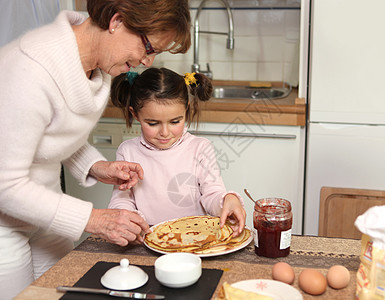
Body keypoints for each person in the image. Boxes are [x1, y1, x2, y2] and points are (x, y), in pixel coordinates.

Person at [0, 1, 191, 298]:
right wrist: (92, 219)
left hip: (45, 211)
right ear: (117, 21)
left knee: (65, 292)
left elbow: (48, 133)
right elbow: (4, 184)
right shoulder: (31, 68)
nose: (147, 62)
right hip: (4, 222)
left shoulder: (95, 68)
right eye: (149, 48)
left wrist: (96, 167)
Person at [108, 68, 247, 236]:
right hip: (147, 238)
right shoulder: (127, 151)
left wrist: (227, 200)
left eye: (175, 121)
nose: (165, 132)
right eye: (152, 123)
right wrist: (130, 220)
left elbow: (212, 193)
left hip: (194, 240)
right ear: (135, 114)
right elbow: (122, 199)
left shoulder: (200, 148)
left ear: (186, 110)